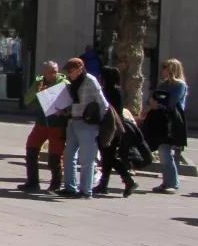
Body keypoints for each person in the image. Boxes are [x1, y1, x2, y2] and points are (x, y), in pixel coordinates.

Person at [58, 57, 109, 199]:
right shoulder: (73, 84)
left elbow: (103, 104)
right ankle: (70, 187)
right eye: (68, 71)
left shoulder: (90, 81)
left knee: (87, 158)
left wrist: (97, 121)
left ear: (80, 69)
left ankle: (86, 190)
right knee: (69, 156)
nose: (69, 74)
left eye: (71, 70)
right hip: (73, 122)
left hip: (87, 124)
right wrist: (64, 112)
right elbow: (73, 104)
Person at [18, 61, 70, 192]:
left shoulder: (64, 84)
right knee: (31, 149)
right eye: (50, 72)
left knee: (55, 155)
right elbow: (27, 100)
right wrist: (36, 87)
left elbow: (71, 104)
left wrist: (65, 112)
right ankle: (32, 182)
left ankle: (55, 184)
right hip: (41, 123)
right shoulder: (39, 82)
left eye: (55, 71)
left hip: (56, 125)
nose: (53, 74)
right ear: (44, 72)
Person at [144, 58, 189, 194]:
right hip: (159, 119)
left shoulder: (180, 85)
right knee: (163, 152)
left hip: (172, 120)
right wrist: (151, 102)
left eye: (165, 67)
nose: (162, 70)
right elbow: (154, 97)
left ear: (172, 69)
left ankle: (172, 183)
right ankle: (167, 182)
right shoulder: (163, 84)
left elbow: (171, 103)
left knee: (165, 151)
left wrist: (158, 105)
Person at [93, 66, 138, 198]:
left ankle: (129, 180)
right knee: (107, 156)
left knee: (109, 157)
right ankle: (104, 184)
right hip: (112, 127)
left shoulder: (112, 92)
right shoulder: (115, 91)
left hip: (111, 128)